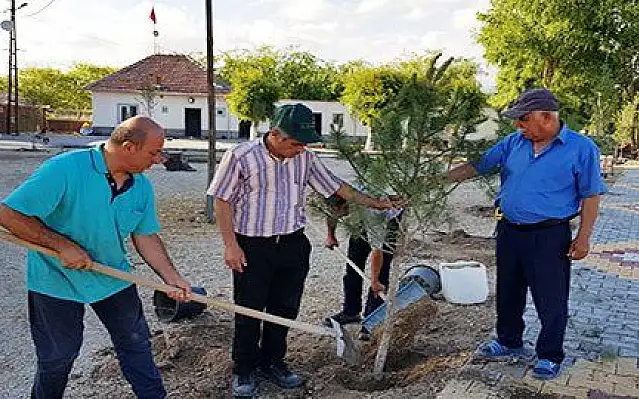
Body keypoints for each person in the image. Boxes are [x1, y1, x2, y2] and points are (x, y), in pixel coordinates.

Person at [207, 103, 401, 397]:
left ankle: (273, 363)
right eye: (296, 143)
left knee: (285, 307)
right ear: (275, 134)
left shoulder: (305, 158)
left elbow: (336, 187)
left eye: (304, 144)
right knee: (249, 309)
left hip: (293, 245)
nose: (301, 149)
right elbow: (222, 201)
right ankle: (244, 370)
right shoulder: (241, 156)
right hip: (252, 247)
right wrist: (230, 245)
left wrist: (377, 202)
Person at [0, 116, 192, 398]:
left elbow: (146, 235)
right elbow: (9, 213)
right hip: (56, 280)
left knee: (136, 343)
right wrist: (60, 244)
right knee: (58, 357)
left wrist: (172, 278)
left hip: (111, 276)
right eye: (153, 152)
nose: (158, 159)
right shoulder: (65, 169)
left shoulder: (140, 187)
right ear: (128, 147)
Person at [445, 88, 605, 379]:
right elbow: (477, 166)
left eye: (523, 119)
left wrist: (584, 238)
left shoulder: (582, 148)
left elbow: (591, 196)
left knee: (550, 297)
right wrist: (434, 180)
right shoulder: (512, 143)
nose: (518, 126)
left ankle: (550, 354)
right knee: (508, 291)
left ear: (546, 117)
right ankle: (508, 341)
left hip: (548, 236)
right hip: (508, 231)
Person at [322, 192, 403, 341]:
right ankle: (351, 312)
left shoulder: (373, 213)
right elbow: (332, 215)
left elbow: (378, 251)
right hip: (360, 219)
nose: (340, 216)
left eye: (341, 212)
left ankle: (372, 320)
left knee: (381, 275)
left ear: (347, 205)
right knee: (353, 265)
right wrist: (331, 236)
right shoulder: (341, 196)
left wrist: (374, 280)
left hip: (388, 218)